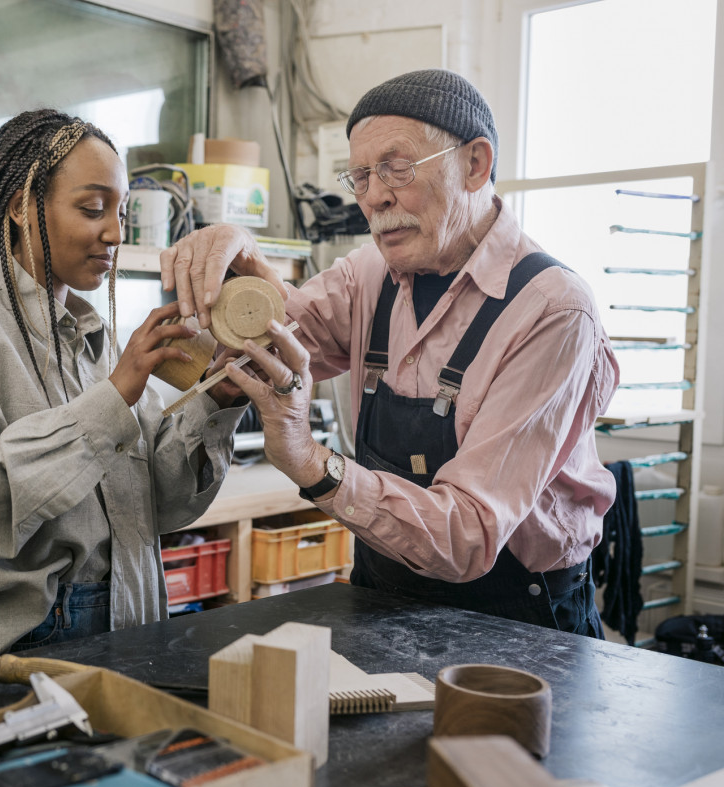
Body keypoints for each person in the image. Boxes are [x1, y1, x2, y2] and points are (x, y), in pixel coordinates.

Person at [160, 69, 619, 637]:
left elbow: (467, 534)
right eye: (359, 176)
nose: (374, 195)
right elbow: (275, 345)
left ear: (475, 164)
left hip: (516, 616)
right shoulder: (369, 275)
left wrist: (311, 461)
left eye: (397, 169)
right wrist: (242, 264)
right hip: (384, 587)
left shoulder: (552, 311)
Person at [0, 109, 248, 656]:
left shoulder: (96, 339)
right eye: (92, 208)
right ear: (20, 207)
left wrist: (219, 396)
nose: (115, 233)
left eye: (122, 211)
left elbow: (164, 503)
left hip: (127, 615)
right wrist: (115, 397)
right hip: (11, 643)